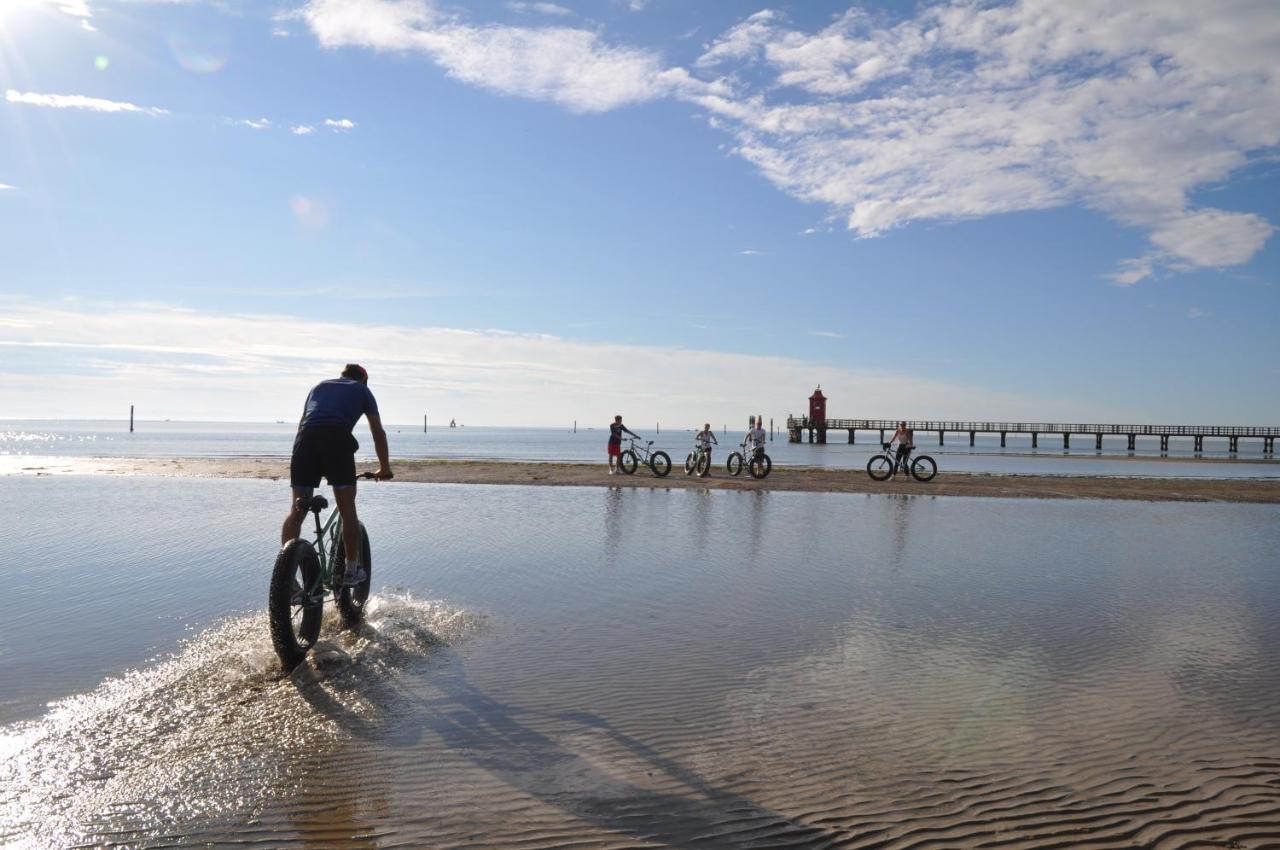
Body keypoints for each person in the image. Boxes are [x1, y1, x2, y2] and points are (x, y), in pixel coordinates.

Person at [281, 364, 392, 586]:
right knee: (347, 510)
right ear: (363, 379)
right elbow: (377, 431)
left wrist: (299, 460)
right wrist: (384, 467)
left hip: (305, 444)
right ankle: (351, 571)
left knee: (297, 510)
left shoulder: (318, 387)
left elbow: (302, 424)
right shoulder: (362, 390)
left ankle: (288, 580)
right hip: (336, 441)